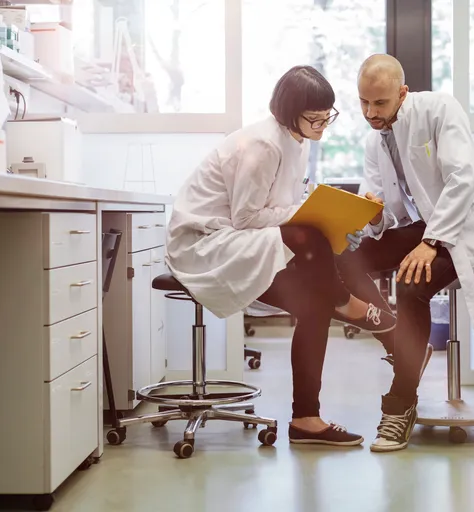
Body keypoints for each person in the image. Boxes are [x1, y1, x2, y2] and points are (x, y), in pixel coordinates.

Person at [166, 65, 396, 447]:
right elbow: (246, 217)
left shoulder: (297, 139)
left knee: (315, 300)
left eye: (328, 117)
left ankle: (306, 418)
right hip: (206, 244)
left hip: (245, 239)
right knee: (311, 241)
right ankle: (356, 311)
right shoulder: (263, 145)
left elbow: (282, 205)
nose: (323, 126)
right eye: (314, 119)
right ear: (290, 114)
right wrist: (311, 216)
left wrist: (331, 213)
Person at [336, 54, 474, 453]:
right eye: (363, 102)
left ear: (403, 93)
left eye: (379, 103)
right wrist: (370, 214)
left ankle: (399, 407)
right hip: (422, 227)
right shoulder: (375, 140)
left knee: (412, 284)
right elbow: (388, 214)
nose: (370, 113)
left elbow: (461, 179)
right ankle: (399, 341)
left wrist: (431, 243)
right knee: (344, 259)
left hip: (461, 230)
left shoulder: (440, 109)